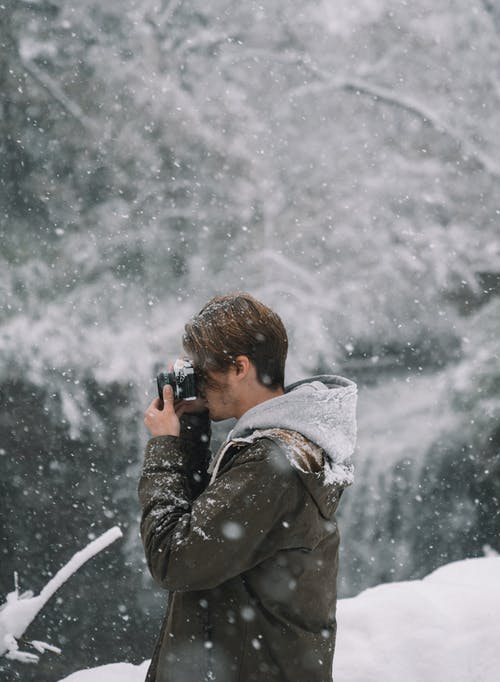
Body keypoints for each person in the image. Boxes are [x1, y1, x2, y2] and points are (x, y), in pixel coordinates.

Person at [139, 292, 357, 682]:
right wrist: (190, 433)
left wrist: (166, 449)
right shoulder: (283, 446)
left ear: (240, 367)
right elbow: (206, 537)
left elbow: (174, 558)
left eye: (203, 373)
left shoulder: (270, 464)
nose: (198, 385)